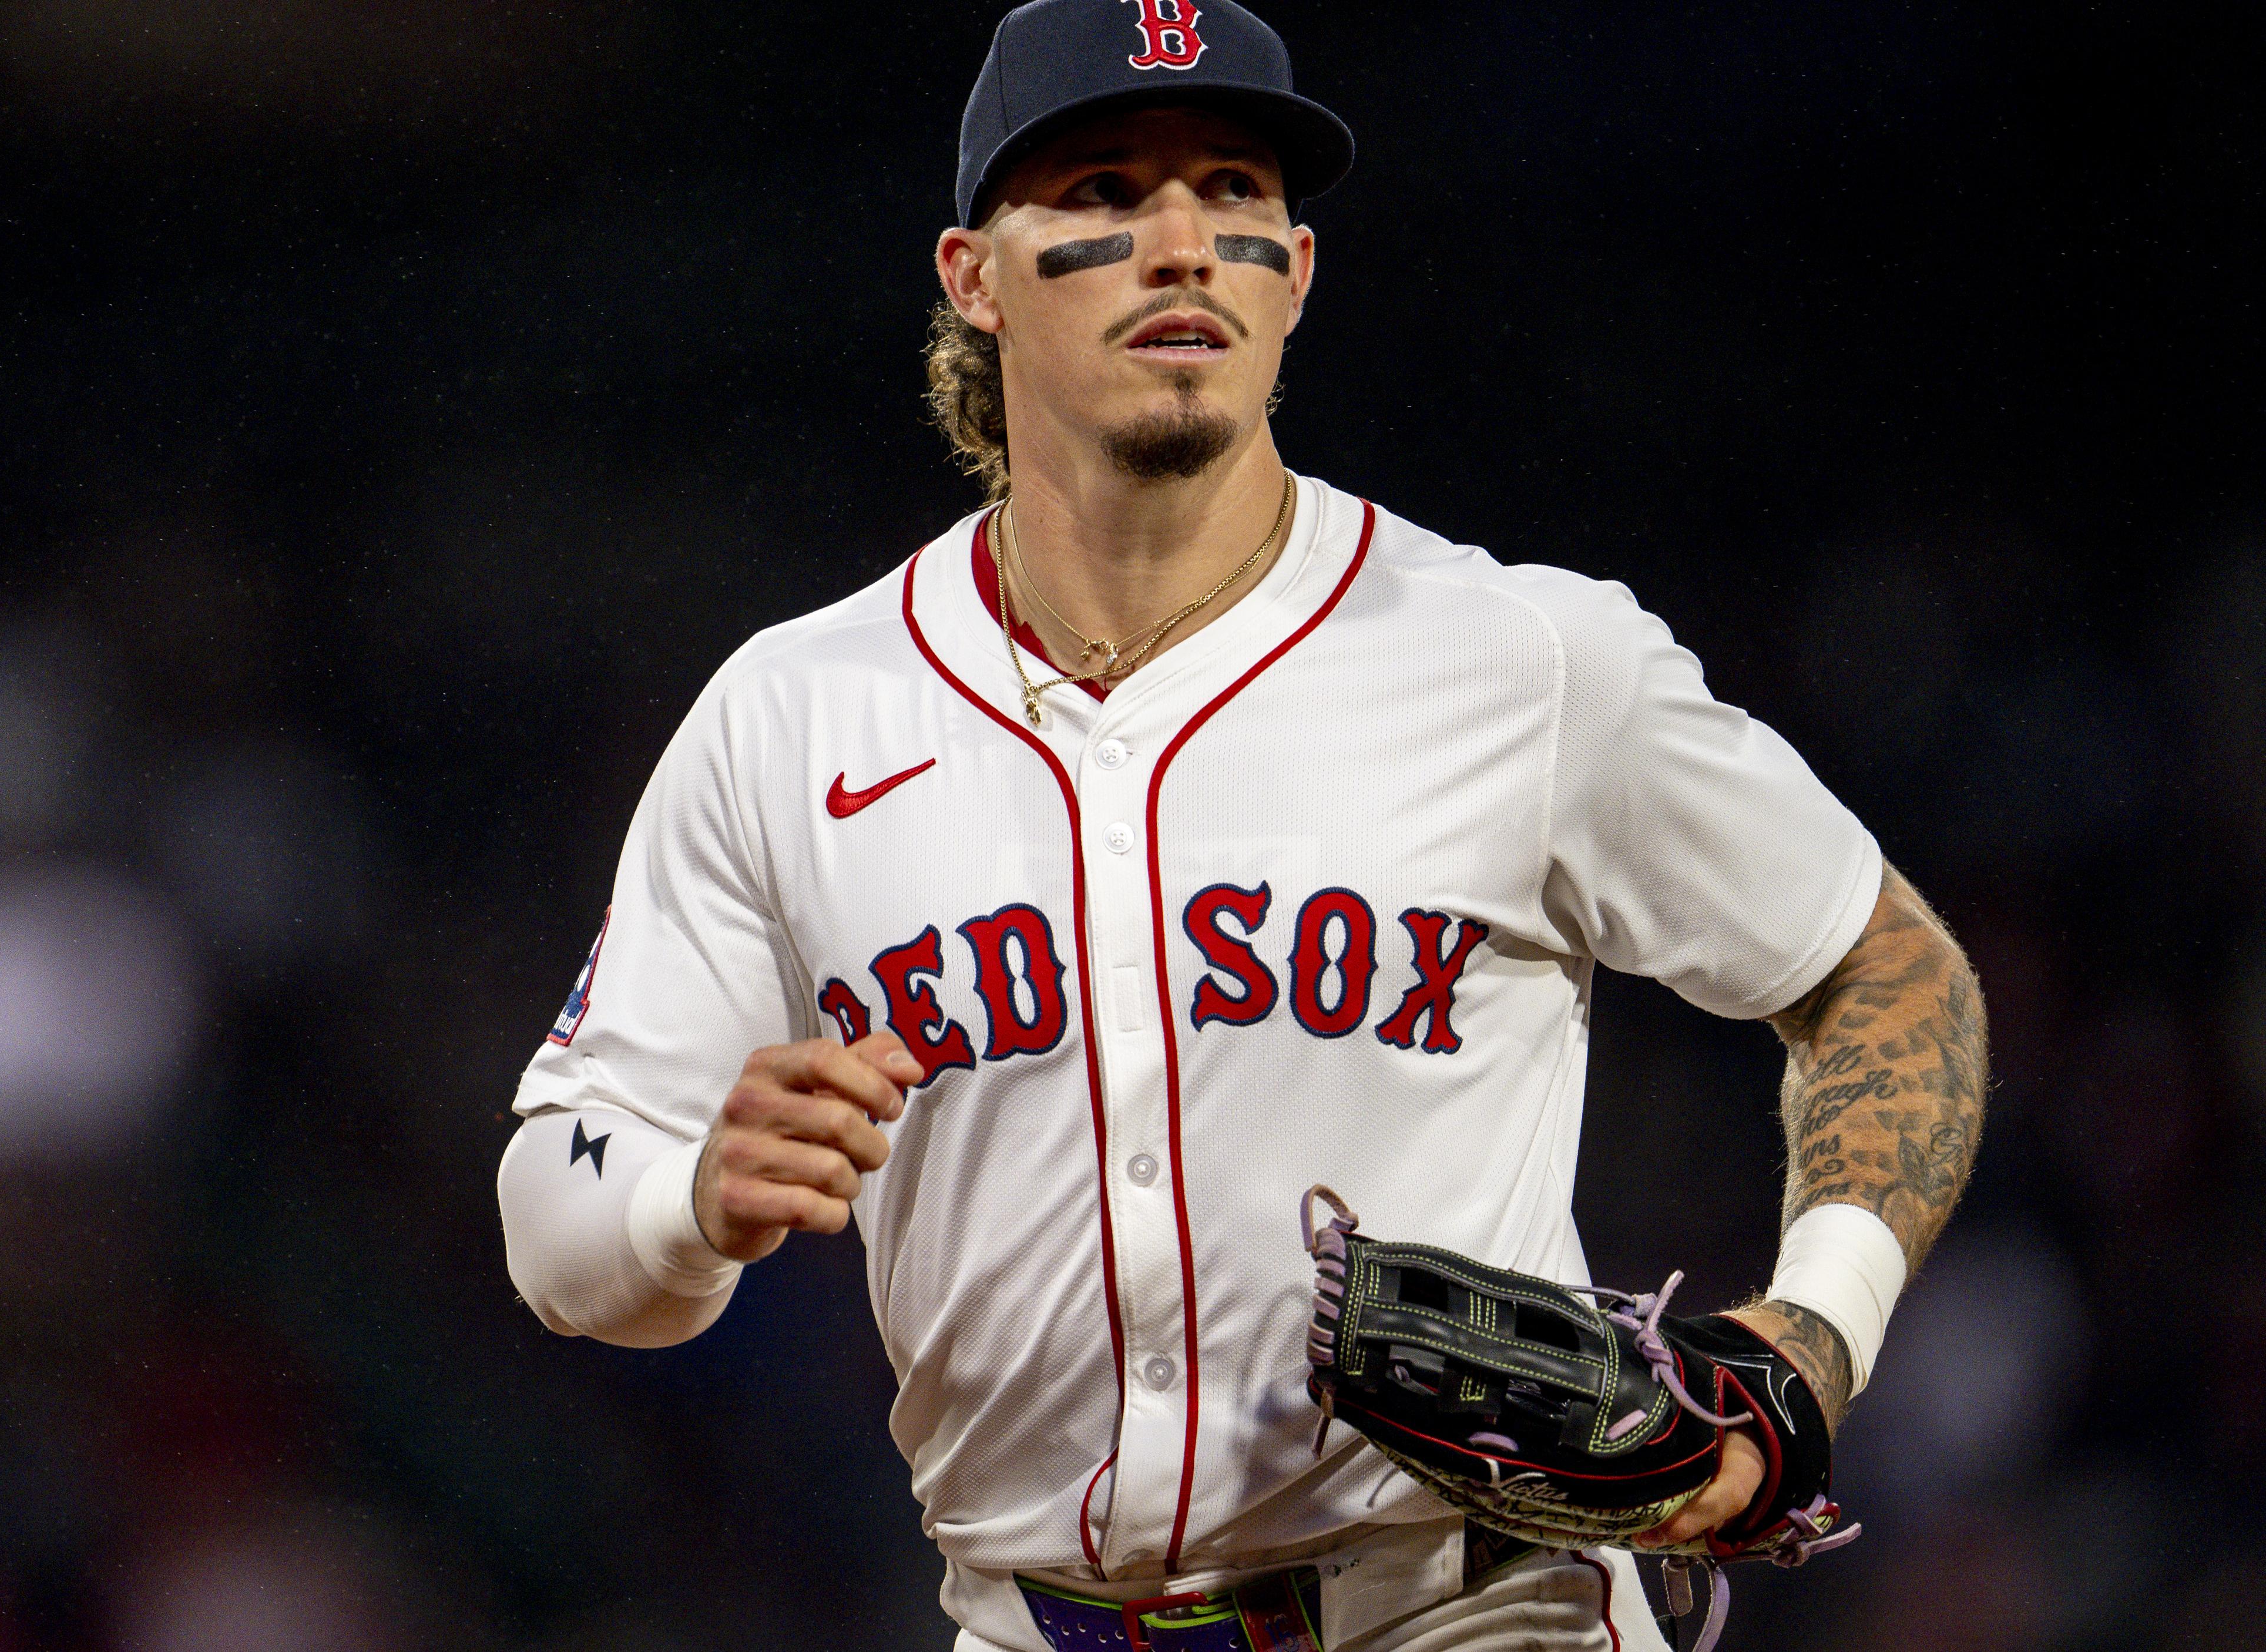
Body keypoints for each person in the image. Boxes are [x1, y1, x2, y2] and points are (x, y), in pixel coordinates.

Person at [495, 2, 1986, 1647]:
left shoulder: (1522, 658)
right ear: (974, 275)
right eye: (1106, 194)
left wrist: (1809, 1335)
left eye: (1233, 191)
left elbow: (1887, 971)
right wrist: (686, 1200)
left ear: (1297, 275)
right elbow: (557, 1206)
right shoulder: (796, 714)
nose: (1185, 242)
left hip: (1472, 1607)